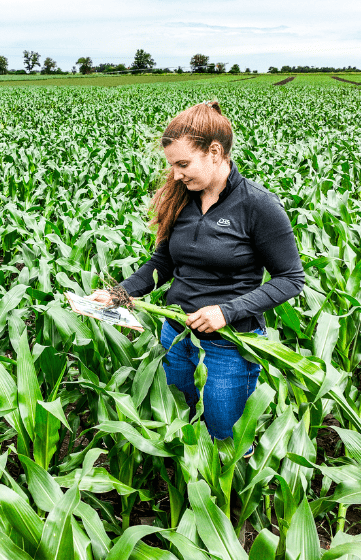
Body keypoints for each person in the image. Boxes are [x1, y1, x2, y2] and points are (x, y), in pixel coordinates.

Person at [88, 100, 304, 448]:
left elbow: (291, 278)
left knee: (225, 438)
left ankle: (226, 500)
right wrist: (119, 294)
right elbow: (163, 263)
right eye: (172, 166)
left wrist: (225, 311)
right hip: (175, 337)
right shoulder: (182, 200)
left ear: (215, 152)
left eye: (183, 164)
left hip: (230, 346)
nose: (175, 175)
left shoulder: (258, 205)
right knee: (181, 426)